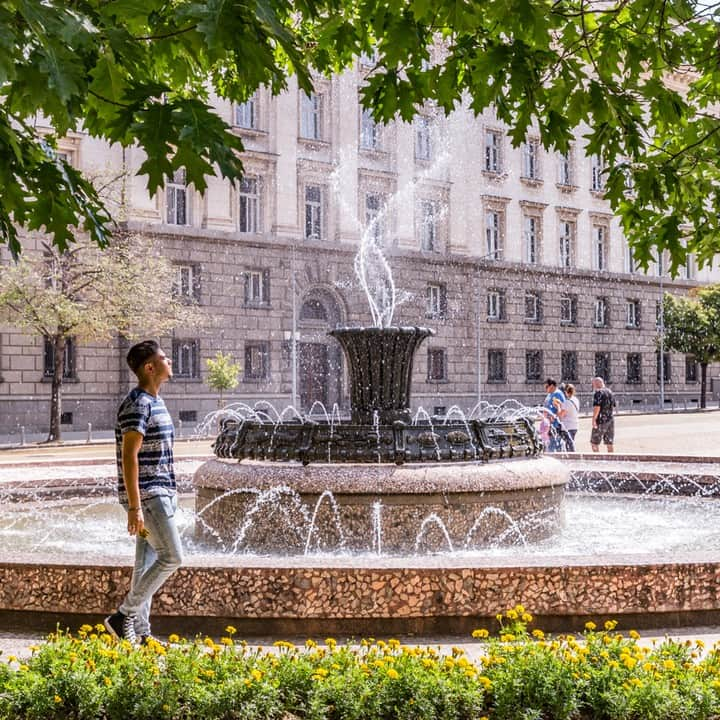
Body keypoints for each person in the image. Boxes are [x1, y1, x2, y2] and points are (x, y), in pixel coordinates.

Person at [104, 340, 183, 644]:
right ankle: (123, 615)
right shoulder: (138, 403)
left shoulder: (155, 401)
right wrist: (135, 507)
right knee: (173, 557)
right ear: (150, 367)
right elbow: (129, 456)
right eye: (165, 358)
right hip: (148, 497)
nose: (170, 361)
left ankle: (141, 634)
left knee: (146, 565)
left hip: (161, 493)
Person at [590, 376, 616, 453]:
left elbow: (597, 407)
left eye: (593, 384)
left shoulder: (598, 393)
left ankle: (597, 459)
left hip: (601, 420)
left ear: (597, 384)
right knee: (609, 443)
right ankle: (611, 459)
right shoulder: (610, 392)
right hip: (610, 419)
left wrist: (594, 419)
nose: (593, 386)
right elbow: (613, 406)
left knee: (594, 443)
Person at [542, 378, 567, 452]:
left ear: (552, 385)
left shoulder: (558, 394)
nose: (545, 389)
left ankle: (557, 457)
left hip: (555, 424)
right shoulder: (550, 395)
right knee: (550, 442)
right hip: (549, 423)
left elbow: (563, 408)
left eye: (546, 386)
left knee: (554, 442)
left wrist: (554, 416)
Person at [561, 383, 580, 449]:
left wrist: (558, 406)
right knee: (571, 443)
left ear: (565, 392)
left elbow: (562, 415)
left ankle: (571, 457)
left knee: (569, 445)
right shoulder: (575, 400)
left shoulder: (567, 402)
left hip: (568, 426)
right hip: (575, 425)